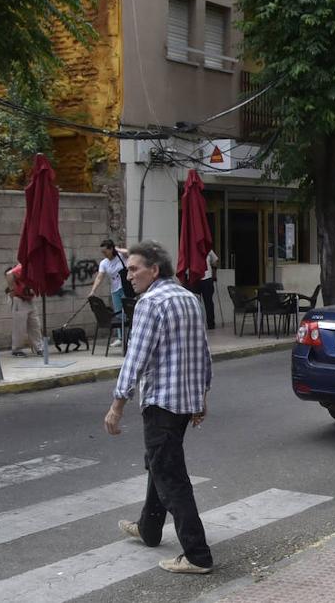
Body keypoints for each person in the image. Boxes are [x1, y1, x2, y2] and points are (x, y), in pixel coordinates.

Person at [105, 241, 214, 575]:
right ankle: (148, 528)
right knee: (159, 463)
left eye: (135, 269)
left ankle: (197, 555)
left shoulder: (150, 303)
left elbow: (135, 358)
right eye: (128, 269)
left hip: (162, 403)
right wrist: (202, 398)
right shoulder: (188, 297)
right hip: (183, 403)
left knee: (170, 476)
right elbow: (203, 352)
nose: (129, 275)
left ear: (154, 270)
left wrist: (117, 404)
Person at [88, 240, 129, 350]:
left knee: (128, 313)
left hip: (126, 288)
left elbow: (130, 253)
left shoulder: (121, 256)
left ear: (111, 249)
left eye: (105, 251)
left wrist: (118, 249)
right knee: (118, 314)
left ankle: (130, 337)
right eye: (102, 252)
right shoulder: (104, 263)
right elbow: (99, 277)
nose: (104, 254)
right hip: (115, 290)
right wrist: (93, 291)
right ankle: (121, 338)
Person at [4, 263, 42, 357]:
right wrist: (12, 290)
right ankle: (16, 349)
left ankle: (39, 347)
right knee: (19, 326)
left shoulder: (36, 269)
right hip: (19, 299)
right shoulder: (23, 267)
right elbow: (9, 274)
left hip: (29, 299)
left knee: (35, 324)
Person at [197, 247, 219, 330]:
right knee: (196, 303)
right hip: (195, 279)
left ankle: (211, 324)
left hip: (207, 278)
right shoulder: (191, 248)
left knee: (208, 302)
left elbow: (215, 260)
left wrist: (214, 274)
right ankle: (198, 324)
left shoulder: (208, 249)